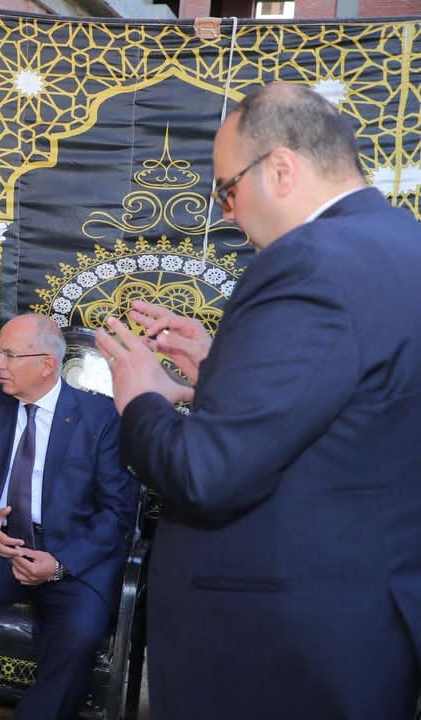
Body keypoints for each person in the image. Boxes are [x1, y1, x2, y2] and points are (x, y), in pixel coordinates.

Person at [95, 82, 421, 719]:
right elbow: (357, 402)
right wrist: (221, 368)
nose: (225, 213)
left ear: (281, 169)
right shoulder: (401, 243)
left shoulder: (309, 261)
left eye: (227, 189)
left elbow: (205, 474)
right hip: (363, 616)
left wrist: (141, 398)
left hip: (277, 642)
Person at [0, 313, 136, 719]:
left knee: (80, 632)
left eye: (8, 355)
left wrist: (60, 564)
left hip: (68, 556)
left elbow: (117, 512)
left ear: (46, 365)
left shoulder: (102, 418)